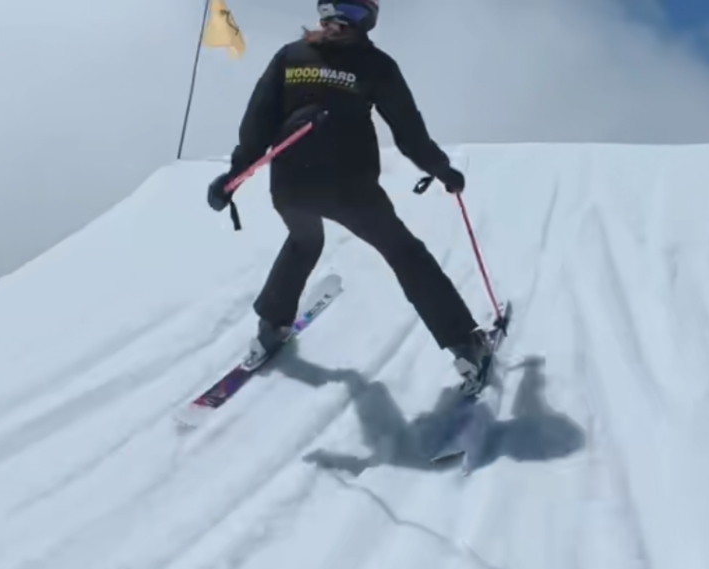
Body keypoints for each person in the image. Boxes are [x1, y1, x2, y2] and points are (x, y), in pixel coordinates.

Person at [206, 0, 494, 395]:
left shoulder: (291, 56)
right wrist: (444, 172)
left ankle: (271, 326)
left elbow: (257, 124)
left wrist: (233, 177)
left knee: (304, 240)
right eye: (338, 9)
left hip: (290, 186)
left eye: (350, 11)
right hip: (349, 189)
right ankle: (465, 345)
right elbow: (410, 135)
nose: (341, 20)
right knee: (405, 253)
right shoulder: (375, 65)